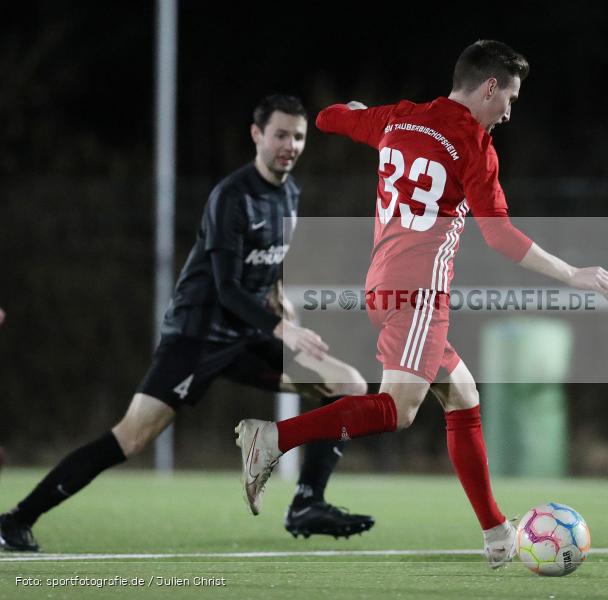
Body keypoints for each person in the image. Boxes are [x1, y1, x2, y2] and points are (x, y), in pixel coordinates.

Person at [234, 41, 608, 568]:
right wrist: (571, 273)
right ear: (488, 87)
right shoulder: (474, 145)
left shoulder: (400, 118)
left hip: (382, 282)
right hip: (418, 293)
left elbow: (326, 119)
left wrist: (349, 112)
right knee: (397, 410)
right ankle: (273, 437)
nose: (509, 109)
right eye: (509, 96)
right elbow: (501, 237)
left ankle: (496, 533)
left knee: (461, 395)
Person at [0, 95, 374, 552]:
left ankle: (306, 501)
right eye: (280, 134)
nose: (290, 145)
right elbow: (226, 287)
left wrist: (278, 297)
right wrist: (283, 330)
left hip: (248, 334)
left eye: (298, 136)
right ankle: (16, 519)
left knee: (348, 385)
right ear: (257, 135)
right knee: (132, 436)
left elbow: (269, 261)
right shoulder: (231, 197)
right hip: (197, 334)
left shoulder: (290, 193)